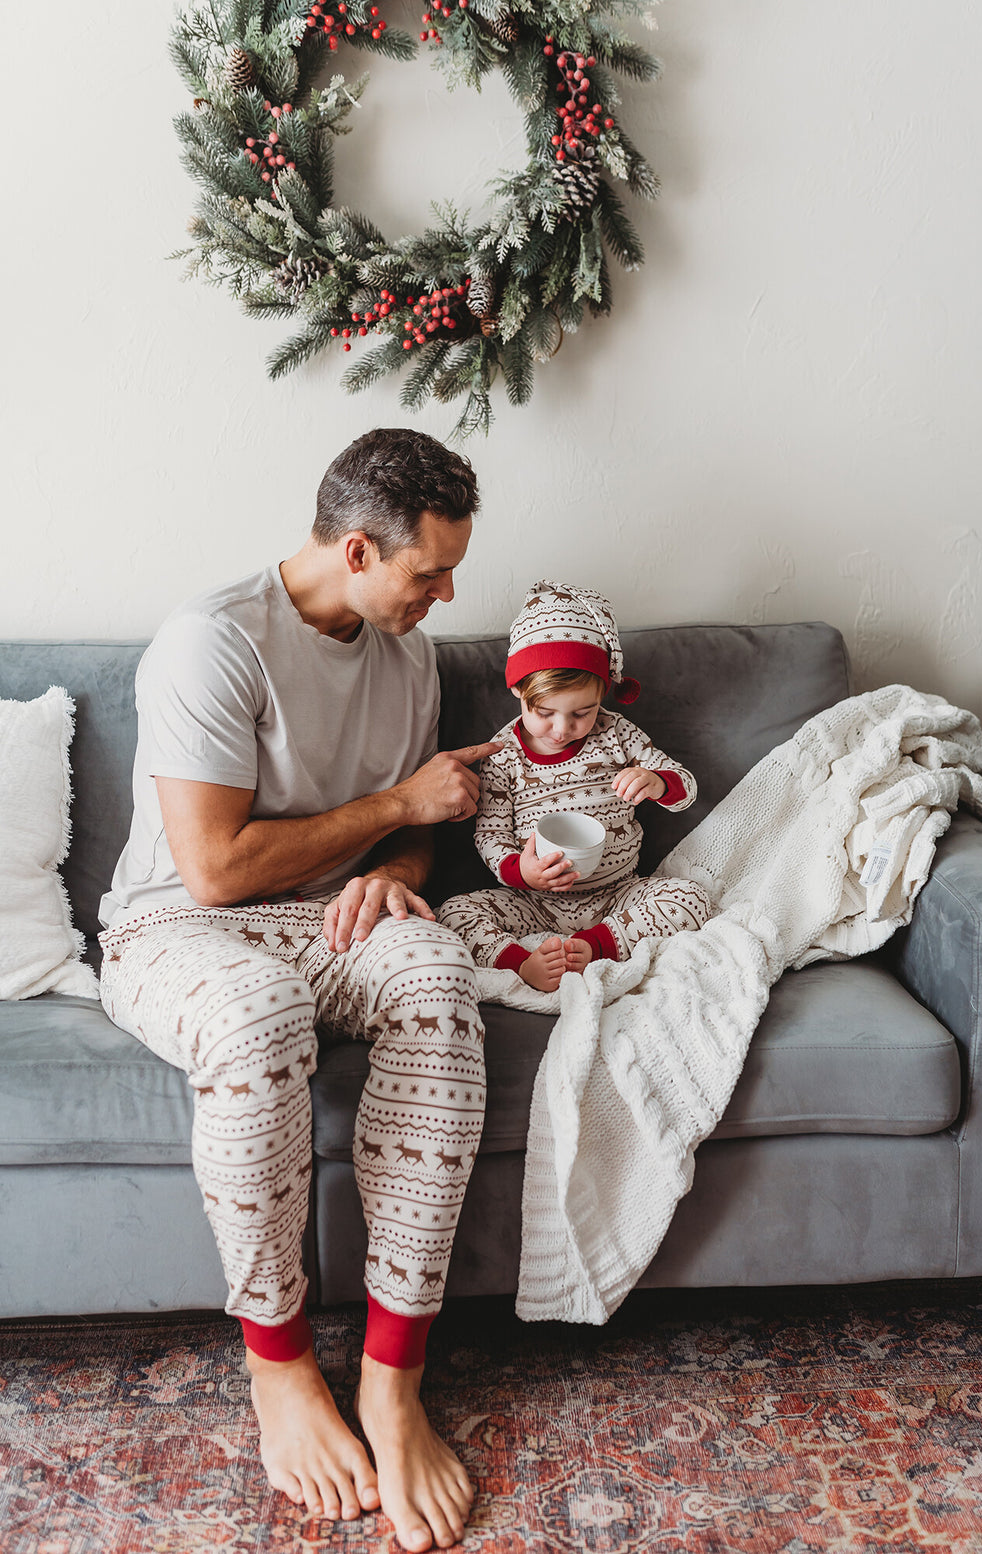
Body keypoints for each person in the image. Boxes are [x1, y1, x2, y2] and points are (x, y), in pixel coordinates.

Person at [97, 427, 502, 1553]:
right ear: (361, 551)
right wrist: (394, 816)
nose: (448, 592)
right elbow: (215, 870)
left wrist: (394, 871)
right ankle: (278, 1370)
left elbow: (421, 837)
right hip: (178, 927)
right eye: (431, 571)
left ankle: (391, 1378)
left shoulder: (410, 649)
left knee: (435, 970)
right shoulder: (212, 643)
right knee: (257, 1014)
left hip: (328, 916)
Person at [437, 581, 712, 991]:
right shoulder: (503, 754)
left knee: (692, 898)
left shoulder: (617, 734)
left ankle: (593, 946)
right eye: (545, 712)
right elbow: (490, 834)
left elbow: (685, 787)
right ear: (517, 690)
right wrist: (523, 873)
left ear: (603, 692)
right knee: (452, 914)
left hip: (618, 895)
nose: (562, 729)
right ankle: (524, 964)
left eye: (582, 712)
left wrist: (656, 782)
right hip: (535, 903)